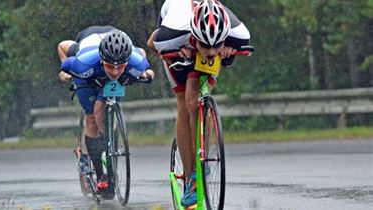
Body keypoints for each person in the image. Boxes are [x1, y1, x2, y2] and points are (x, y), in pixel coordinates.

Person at [147, 0, 250, 207]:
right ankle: (189, 177)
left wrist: (228, 49)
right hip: (179, 45)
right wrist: (177, 54)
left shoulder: (237, 31)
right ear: (195, 37)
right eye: (205, 45)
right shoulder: (172, 33)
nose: (211, 52)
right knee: (185, 103)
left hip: (203, 40)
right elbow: (152, 45)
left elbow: (242, 48)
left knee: (198, 95)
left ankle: (203, 141)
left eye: (217, 45)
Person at [57, 26, 154, 196]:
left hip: (110, 71)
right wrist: (64, 73)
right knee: (91, 118)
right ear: (102, 60)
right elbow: (62, 46)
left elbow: (142, 56)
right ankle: (97, 169)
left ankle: (110, 157)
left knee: (101, 110)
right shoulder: (82, 62)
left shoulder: (134, 61)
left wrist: (146, 72)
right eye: (110, 66)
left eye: (120, 67)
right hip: (89, 74)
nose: (115, 72)